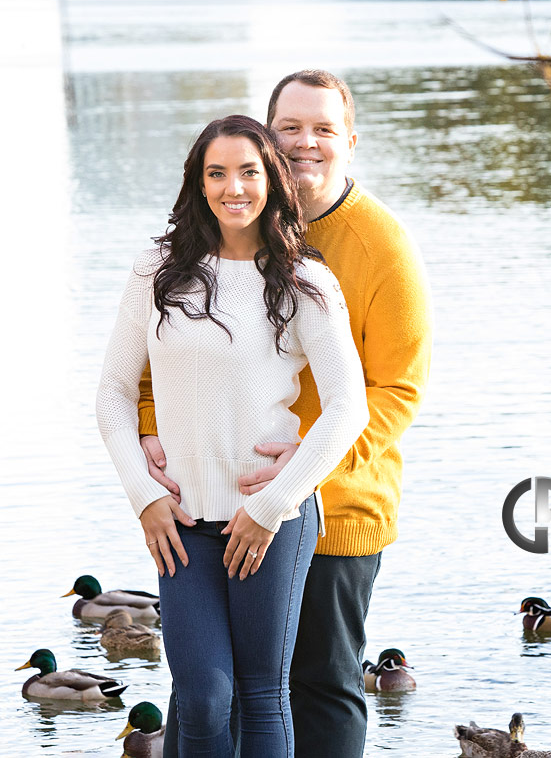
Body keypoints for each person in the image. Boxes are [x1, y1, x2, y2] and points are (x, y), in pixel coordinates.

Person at [138, 70, 432, 758]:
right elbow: (165, 353)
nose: (306, 144)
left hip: (336, 509)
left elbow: (397, 391)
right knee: (203, 690)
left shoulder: (381, 245)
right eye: (290, 128)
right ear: (266, 141)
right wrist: (151, 427)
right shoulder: (221, 237)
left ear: (349, 141)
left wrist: (298, 476)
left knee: (318, 686)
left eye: (323, 129)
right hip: (213, 500)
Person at [96, 114, 369, 758]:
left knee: (262, 690)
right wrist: (145, 495)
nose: (233, 187)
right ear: (198, 182)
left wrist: (271, 507)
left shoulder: (306, 282)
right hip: (184, 522)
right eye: (216, 173)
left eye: (248, 171)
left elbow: (348, 408)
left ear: (272, 180)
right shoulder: (156, 272)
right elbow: (111, 394)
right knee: (201, 696)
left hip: (272, 520)